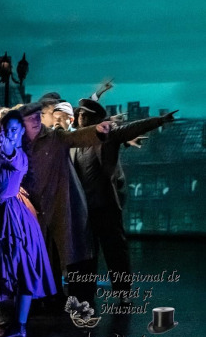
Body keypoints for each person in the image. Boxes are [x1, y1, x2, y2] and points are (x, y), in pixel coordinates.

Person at [72, 99, 178, 302]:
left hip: (106, 206)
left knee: (115, 253)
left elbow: (133, 128)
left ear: (94, 119)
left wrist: (160, 120)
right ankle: (87, 293)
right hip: (84, 210)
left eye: (85, 114)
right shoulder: (75, 141)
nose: (80, 117)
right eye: (79, 114)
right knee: (88, 255)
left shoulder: (108, 135)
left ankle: (123, 293)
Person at [20, 102, 111, 306]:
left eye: (37, 117)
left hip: (60, 204)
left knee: (72, 252)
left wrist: (97, 131)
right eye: (30, 119)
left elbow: (75, 137)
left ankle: (76, 299)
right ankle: (48, 297)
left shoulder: (54, 137)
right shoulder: (20, 144)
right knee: (43, 255)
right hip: (35, 208)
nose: (35, 121)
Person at [0, 110, 58, 337]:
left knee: (22, 269)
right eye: (5, 130)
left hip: (13, 218)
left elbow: (10, 154)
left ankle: (20, 326)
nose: (9, 134)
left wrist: (4, 145)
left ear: (21, 131)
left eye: (14, 130)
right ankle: (14, 320)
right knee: (9, 270)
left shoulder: (18, 155)